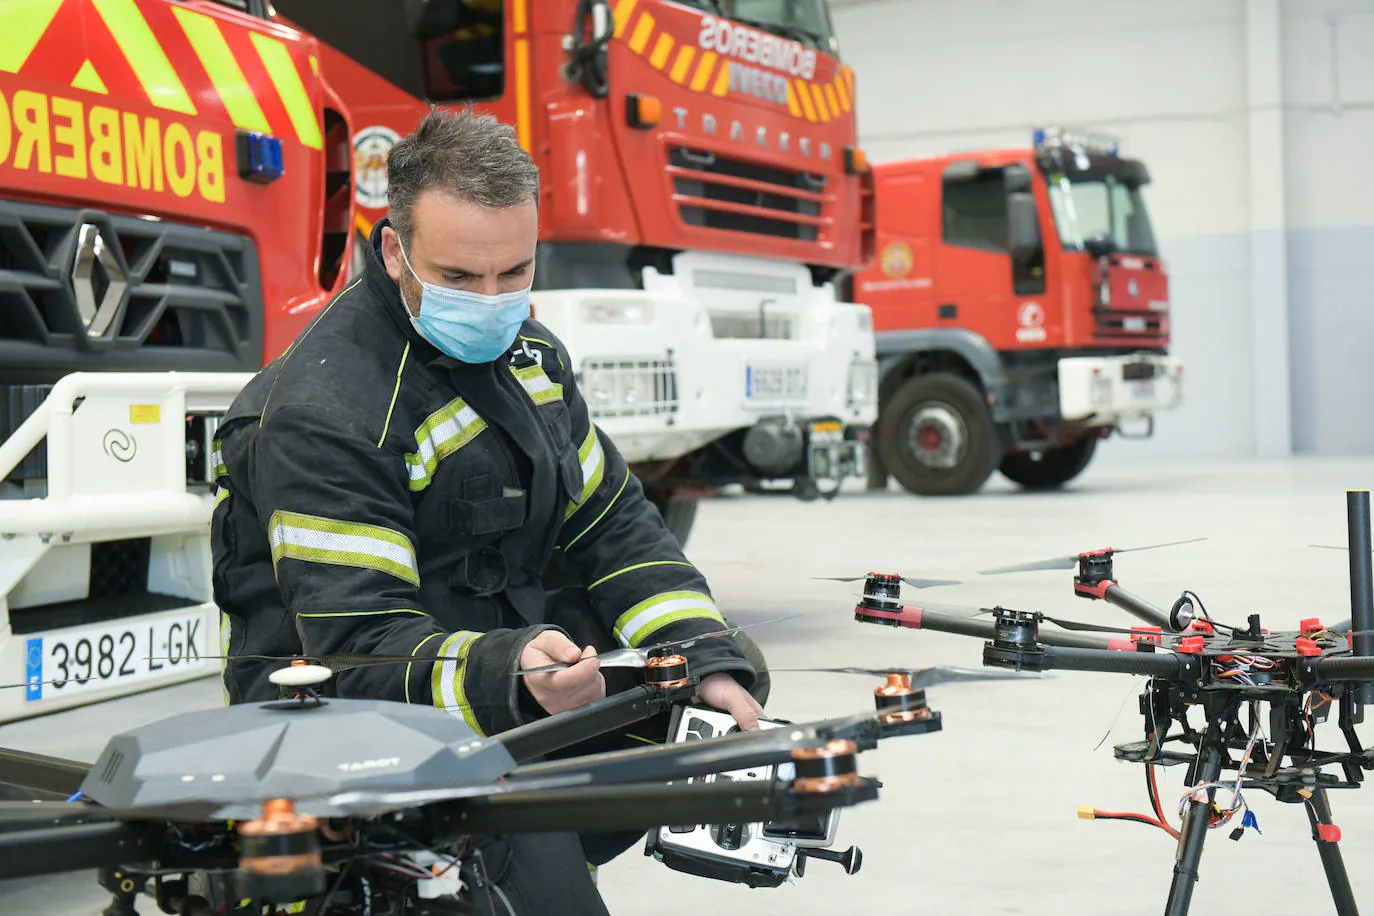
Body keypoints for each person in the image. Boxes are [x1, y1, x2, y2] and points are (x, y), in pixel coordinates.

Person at [208, 108, 768, 914]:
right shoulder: (328, 409)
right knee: (539, 886)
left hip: (501, 698)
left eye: (515, 273)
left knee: (693, 709)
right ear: (394, 249)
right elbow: (357, 646)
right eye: (462, 279)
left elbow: (612, 524)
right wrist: (510, 671)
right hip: (353, 727)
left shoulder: (531, 357)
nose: (494, 302)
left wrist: (700, 656)